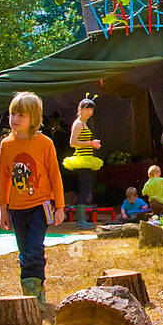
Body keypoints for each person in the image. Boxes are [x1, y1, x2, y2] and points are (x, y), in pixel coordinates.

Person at [0, 92, 65, 313]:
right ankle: (32, 287)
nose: (15, 119)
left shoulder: (45, 144)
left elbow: (55, 175)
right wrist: (3, 207)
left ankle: (33, 294)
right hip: (16, 208)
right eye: (12, 114)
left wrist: (60, 207)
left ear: (33, 118)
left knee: (34, 250)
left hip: (41, 206)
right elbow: (4, 177)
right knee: (24, 250)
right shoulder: (6, 145)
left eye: (21, 115)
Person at [62, 96, 103, 230]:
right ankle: (80, 220)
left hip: (87, 159)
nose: (90, 113)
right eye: (87, 109)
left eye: (91, 110)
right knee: (84, 189)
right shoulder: (78, 123)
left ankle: (82, 219)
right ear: (81, 109)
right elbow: (72, 142)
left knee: (86, 189)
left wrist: (92, 144)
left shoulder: (84, 123)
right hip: (81, 160)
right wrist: (91, 143)